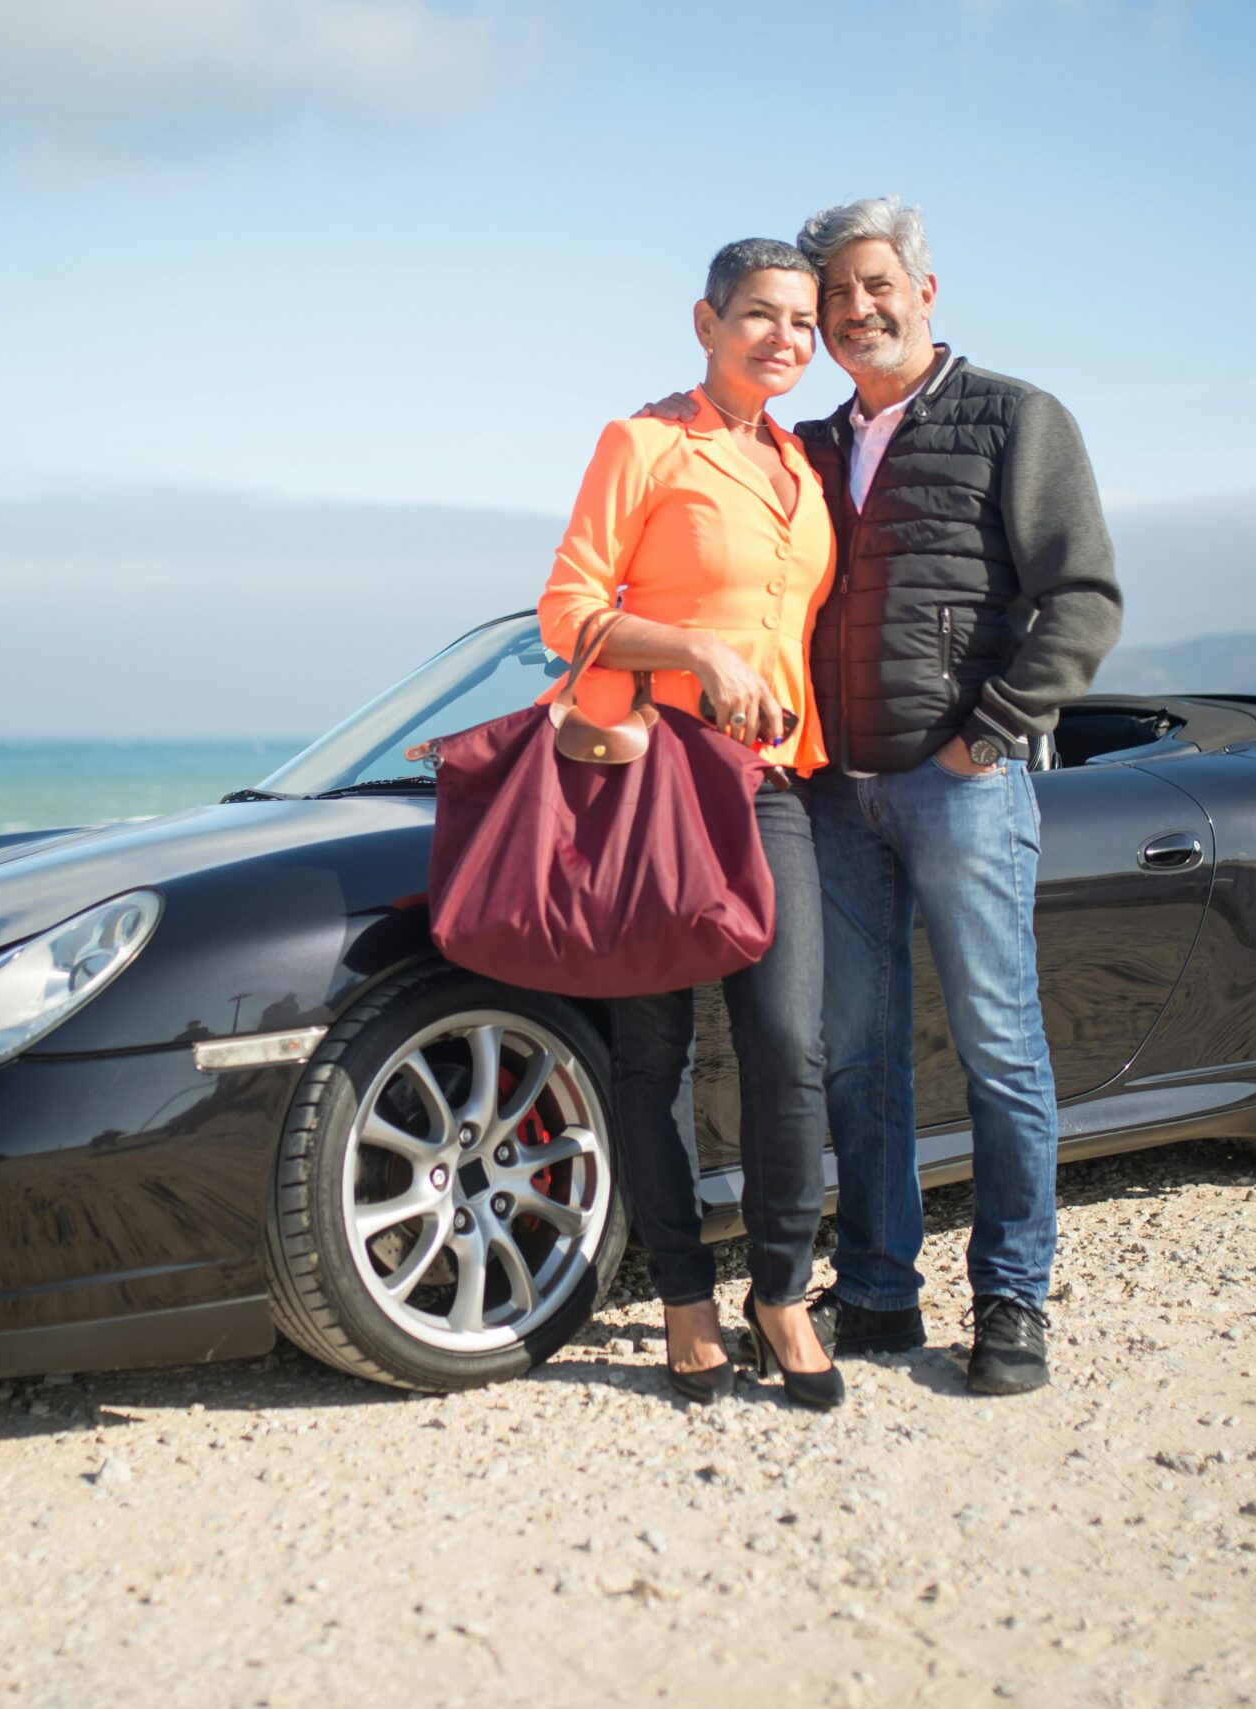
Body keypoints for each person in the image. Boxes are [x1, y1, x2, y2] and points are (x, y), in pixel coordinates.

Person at [645, 199, 1124, 1394]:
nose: (854, 310)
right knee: (858, 1056)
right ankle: (875, 1291)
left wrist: (989, 737)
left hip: (960, 788)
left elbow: (1081, 600)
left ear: (924, 287)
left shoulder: (1014, 416)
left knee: (997, 1044)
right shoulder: (805, 447)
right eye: (834, 295)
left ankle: (1011, 1300)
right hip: (832, 798)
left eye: (873, 286)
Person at [536, 238, 843, 1409]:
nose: (785, 339)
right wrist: (695, 651)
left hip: (770, 786)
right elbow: (567, 607)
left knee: (786, 1045)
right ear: (706, 321)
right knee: (654, 1051)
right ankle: (681, 1296)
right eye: (760, 315)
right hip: (649, 781)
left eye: (802, 323)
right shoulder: (643, 442)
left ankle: (781, 1287)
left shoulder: (802, 467)